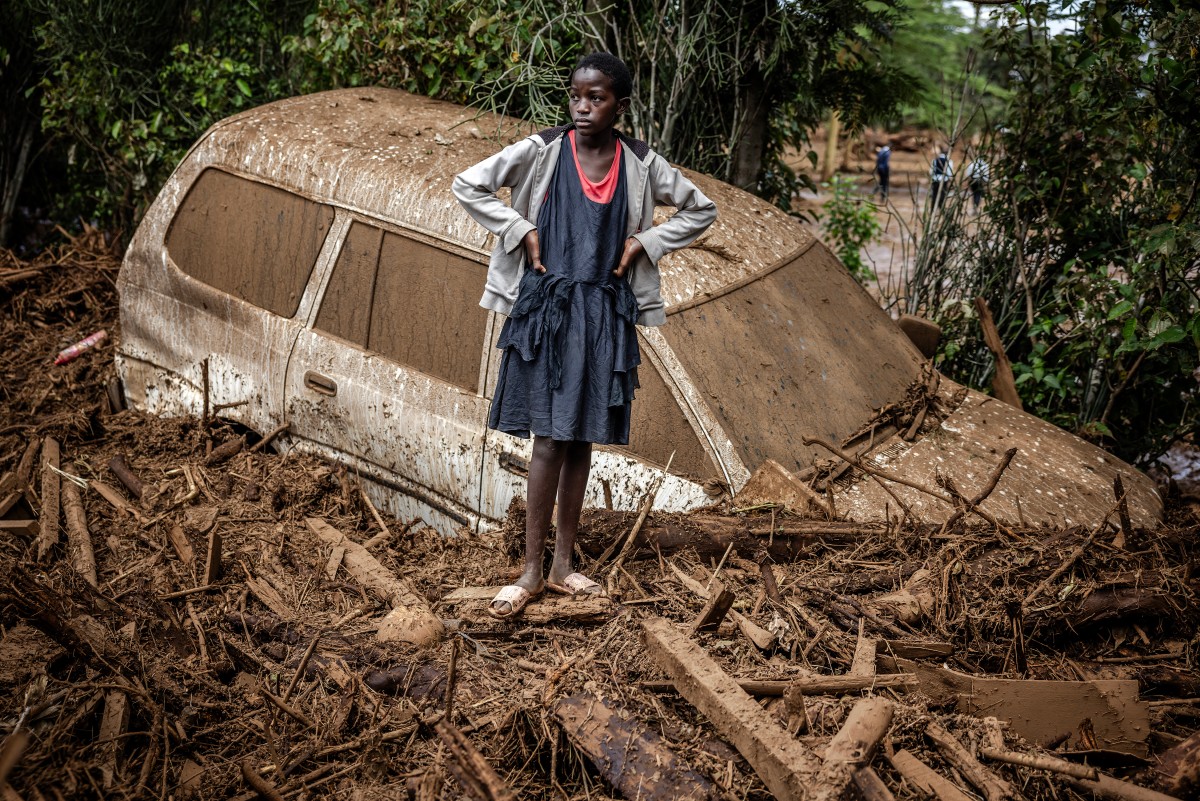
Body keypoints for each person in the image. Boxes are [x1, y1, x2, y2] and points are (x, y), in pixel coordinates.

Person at [452, 53, 717, 619]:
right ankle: (529, 569)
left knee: (580, 441)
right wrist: (520, 228)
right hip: (549, 312)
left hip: (604, 315)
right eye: (576, 96)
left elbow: (701, 209)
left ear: (620, 105)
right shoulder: (543, 150)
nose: (581, 106)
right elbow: (468, 184)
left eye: (596, 98)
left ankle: (564, 565)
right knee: (548, 439)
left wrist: (646, 243)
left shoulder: (641, 164)